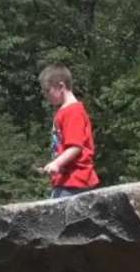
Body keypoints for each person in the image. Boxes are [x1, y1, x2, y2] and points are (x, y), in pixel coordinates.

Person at [38, 64, 100, 199]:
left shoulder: (73, 112)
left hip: (75, 181)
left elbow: (75, 146)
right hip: (65, 180)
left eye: (47, 90)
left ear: (61, 86)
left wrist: (56, 163)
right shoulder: (64, 112)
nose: (45, 95)